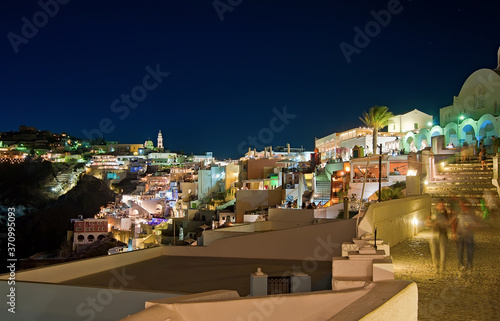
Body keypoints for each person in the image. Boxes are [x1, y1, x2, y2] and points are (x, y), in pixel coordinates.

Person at [451, 199, 482, 271]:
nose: (462, 207)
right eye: (461, 206)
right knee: (460, 250)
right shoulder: (458, 213)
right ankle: (461, 263)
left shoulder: (472, 213)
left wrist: (473, 226)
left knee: (470, 250)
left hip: (469, 234)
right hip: (460, 234)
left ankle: (469, 264)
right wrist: (453, 233)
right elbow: (453, 223)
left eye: (463, 205)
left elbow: (478, 223)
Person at [425, 199, 450, 272]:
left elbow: (448, 223)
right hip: (434, 233)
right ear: (437, 206)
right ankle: (435, 265)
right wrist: (432, 224)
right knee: (434, 251)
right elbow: (427, 223)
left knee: (443, 250)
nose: (441, 206)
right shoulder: (432, 213)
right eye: (440, 205)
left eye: (443, 205)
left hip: (442, 233)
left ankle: (442, 266)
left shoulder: (446, 213)